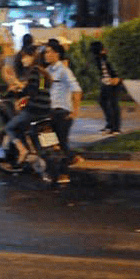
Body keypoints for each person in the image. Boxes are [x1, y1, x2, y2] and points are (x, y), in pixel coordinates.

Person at [4, 45, 52, 164]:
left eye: (25, 57)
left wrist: (17, 85)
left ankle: (22, 150)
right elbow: (38, 90)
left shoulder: (33, 72)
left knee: (9, 127)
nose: (22, 60)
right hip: (46, 110)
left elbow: (29, 93)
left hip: (34, 111)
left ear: (32, 57)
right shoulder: (42, 73)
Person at [45, 41, 82, 184]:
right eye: (46, 52)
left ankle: (64, 174)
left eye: (49, 52)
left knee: (61, 142)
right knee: (49, 143)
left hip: (63, 112)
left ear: (56, 54)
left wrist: (75, 110)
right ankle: (69, 160)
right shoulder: (47, 71)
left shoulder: (64, 71)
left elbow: (77, 89)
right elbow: (42, 89)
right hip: (50, 112)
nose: (46, 55)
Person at [91, 41, 122, 134]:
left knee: (114, 104)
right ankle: (110, 124)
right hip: (106, 82)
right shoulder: (97, 58)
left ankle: (116, 128)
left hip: (115, 82)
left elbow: (116, 67)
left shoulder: (109, 57)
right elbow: (101, 70)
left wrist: (117, 78)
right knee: (103, 101)